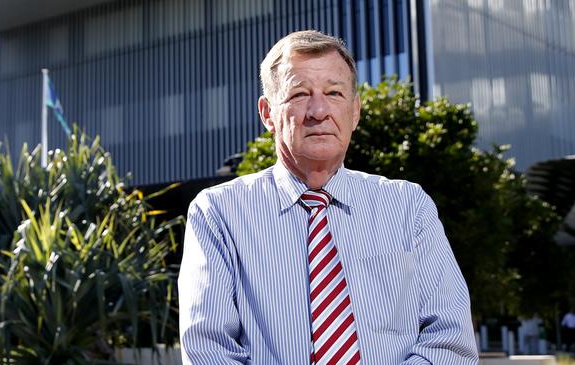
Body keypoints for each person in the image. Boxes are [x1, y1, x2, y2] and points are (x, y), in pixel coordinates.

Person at [178, 30, 478, 364]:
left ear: (355, 111)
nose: (319, 110)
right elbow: (210, 350)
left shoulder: (410, 207)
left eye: (334, 93)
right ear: (267, 114)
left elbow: (451, 342)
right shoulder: (218, 213)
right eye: (300, 94)